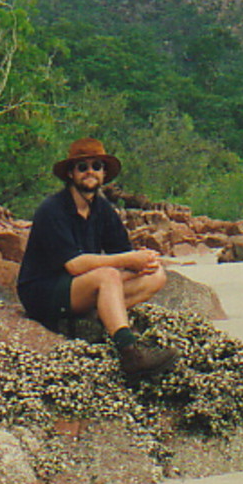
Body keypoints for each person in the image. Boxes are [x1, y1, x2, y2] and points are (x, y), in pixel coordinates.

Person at [16, 138, 178, 377]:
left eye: (96, 166)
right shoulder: (53, 209)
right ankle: (129, 351)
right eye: (82, 167)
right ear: (71, 174)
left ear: (103, 173)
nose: (90, 171)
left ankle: (98, 318)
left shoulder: (102, 210)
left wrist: (143, 261)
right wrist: (127, 260)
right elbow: (74, 265)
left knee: (155, 275)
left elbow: (121, 252)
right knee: (108, 275)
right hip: (44, 291)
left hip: (79, 288)